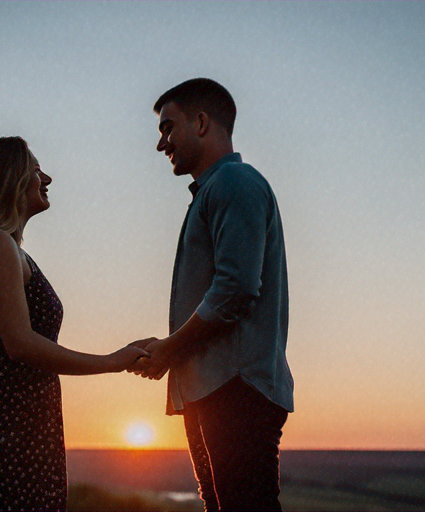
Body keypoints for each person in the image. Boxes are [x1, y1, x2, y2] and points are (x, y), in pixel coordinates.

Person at [0, 136, 150, 512]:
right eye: (36, 169)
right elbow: (21, 345)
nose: (47, 177)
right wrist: (112, 362)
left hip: (22, 423)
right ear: (9, 179)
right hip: (5, 426)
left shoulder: (5, 248)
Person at [129, 78, 294, 511]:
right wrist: (171, 351)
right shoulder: (214, 191)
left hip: (235, 388)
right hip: (212, 390)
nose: (161, 144)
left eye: (168, 128)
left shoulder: (234, 183)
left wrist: (169, 349)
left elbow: (234, 291)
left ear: (201, 122)